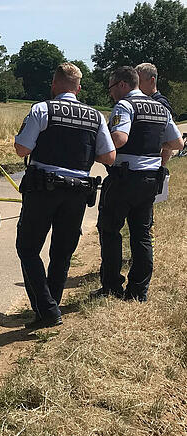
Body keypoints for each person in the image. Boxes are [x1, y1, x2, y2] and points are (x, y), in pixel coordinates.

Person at [13, 62, 116, 329]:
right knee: (62, 252)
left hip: (42, 189)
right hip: (77, 192)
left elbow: (22, 149)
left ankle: (46, 310)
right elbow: (109, 156)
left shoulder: (42, 109)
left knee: (27, 248)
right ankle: (51, 307)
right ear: (78, 89)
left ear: (54, 85)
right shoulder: (95, 116)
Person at [93, 66, 184, 302]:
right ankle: (138, 291)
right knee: (142, 234)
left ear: (123, 85)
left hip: (124, 178)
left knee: (111, 231)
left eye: (111, 87)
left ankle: (112, 286)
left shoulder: (125, 106)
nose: (111, 93)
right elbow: (177, 143)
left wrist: (97, 148)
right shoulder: (161, 108)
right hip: (150, 181)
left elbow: (120, 138)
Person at [136, 63, 178, 165]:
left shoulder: (161, 103)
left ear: (152, 80)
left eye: (139, 81)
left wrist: (161, 166)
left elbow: (170, 139)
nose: (136, 85)